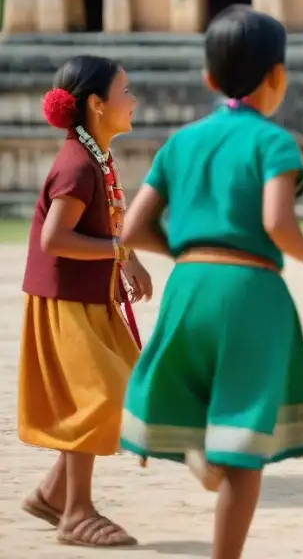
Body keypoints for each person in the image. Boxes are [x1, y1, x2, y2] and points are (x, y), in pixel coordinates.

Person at [118, 5, 303, 559]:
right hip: (250, 289)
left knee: (198, 390)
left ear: (209, 79)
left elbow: (133, 228)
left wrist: (189, 250)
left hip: (188, 285)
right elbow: (278, 223)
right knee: (243, 445)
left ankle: (196, 447)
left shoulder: (180, 142)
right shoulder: (274, 142)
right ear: (278, 77)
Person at [19, 55, 151, 548]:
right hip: (67, 304)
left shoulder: (95, 158)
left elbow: (106, 229)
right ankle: (76, 512)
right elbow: (56, 238)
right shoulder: (77, 165)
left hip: (89, 300)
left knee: (122, 391)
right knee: (100, 399)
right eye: (125, 92)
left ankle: (55, 494)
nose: (133, 101)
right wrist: (120, 254)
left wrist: (125, 259)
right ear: (97, 104)